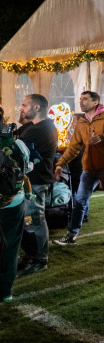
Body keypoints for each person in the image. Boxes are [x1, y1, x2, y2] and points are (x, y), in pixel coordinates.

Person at [53, 91, 104, 246]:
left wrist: (102, 138)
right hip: (88, 168)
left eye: (85, 99)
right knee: (79, 201)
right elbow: (73, 147)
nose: (81, 102)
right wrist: (60, 164)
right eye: (80, 99)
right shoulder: (80, 122)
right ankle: (71, 235)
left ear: (95, 102)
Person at [15, 94, 58, 276]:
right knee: (27, 222)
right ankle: (32, 256)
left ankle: (39, 259)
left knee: (33, 221)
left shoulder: (40, 130)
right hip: (31, 181)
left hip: (35, 182)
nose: (21, 108)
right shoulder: (36, 127)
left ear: (37, 107)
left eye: (25, 105)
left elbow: (14, 146)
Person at [0, 107, 30, 304]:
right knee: (10, 248)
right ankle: (5, 292)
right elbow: (26, 169)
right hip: (13, 203)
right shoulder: (17, 143)